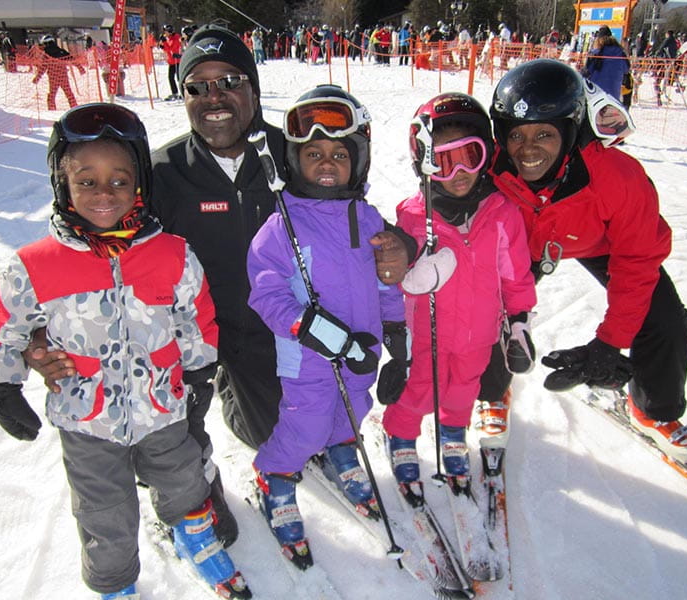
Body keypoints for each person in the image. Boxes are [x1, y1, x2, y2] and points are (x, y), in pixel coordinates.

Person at [24, 23, 413, 545]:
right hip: (210, 334)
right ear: (183, 95)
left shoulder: (297, 150)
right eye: (197, 86)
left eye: (229, 80)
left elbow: (356, 216)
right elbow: (92, 242)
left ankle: (328, 438)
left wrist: (400, 247)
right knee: (255, 431)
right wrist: (41, 332)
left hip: (298, 329)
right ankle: (193, 483)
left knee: (328, 409)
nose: (215, 97)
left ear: (252, 88)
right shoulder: (161, 173)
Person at [0, 103, 250, 600]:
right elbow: (2, 323)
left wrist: (199, 372)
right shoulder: (35, 264)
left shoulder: (171, 252)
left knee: (184, 478)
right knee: (103, 510)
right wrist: (1, 386)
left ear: (140, 183)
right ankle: (114, 582)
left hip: (162, 407)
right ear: (63, 185)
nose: (105, 194)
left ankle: (192, 529)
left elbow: (196, 315)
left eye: (119, 181)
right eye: (87, 181)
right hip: (87, 421)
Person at [482, 58, 687, 464]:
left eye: (545, 134)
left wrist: (610, 342)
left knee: (668, 324)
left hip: (598, 240)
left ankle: (653, 410)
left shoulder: (620, 179)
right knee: (484, 309)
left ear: (570, 132)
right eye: (516, 136)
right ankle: (491, 391)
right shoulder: (490, 170)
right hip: (523, 243)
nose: (528, 150)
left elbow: (637, 265)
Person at [247, 84, 405, 564]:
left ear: (359, 159)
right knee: (307, 424)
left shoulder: (367, 216)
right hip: (309, 358)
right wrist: (307, 326)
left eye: (340, 153)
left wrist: (396, 330)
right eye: (313, 153)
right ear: (295, 161)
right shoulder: (281, 226)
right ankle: (274, 473)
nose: (327, 163)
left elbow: (385, 279)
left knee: (355, 411)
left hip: (363, 351)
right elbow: (266, 292)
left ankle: (342, 452)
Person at [382, 93, 536, 501]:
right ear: (424, 161)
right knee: (420, 389)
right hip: (427, 333)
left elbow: (516, 275)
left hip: (479, 335)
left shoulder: (502, 213)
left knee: (464, 387)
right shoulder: (414, 216)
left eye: (471, 154)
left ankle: (453, 433)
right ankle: (400, 434)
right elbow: (395, 276)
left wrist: (519, 322)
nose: (461, 172)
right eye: (445, 160)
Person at [32, 35, 81, 111]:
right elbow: (71, 59)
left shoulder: (46, 55)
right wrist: (80, 68)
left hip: (53, 77)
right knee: (69, 93)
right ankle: (75, 108)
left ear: (47, 43)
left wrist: (37, 77)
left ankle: (52, 110)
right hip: (63, 75)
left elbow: (43, 67)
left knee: (51, 95)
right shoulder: (61, 51)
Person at [584, 26, 630, 101]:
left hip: (596, 96)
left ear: (598, 39)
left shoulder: (595, 54)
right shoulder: (621, 54)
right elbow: (626, 69)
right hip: (614, 97)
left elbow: (586, 73)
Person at [159, 24, 182, 100]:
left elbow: (171, 48)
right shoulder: (169, 38)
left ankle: (184, 92)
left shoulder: (176, 38)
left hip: (176, 61)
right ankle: (175, 93)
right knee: (171, 78)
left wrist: (165, 42)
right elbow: (167, 49)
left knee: (179, 78)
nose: (165, 33)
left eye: (166, 31)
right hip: (171, 61)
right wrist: (162, 45)